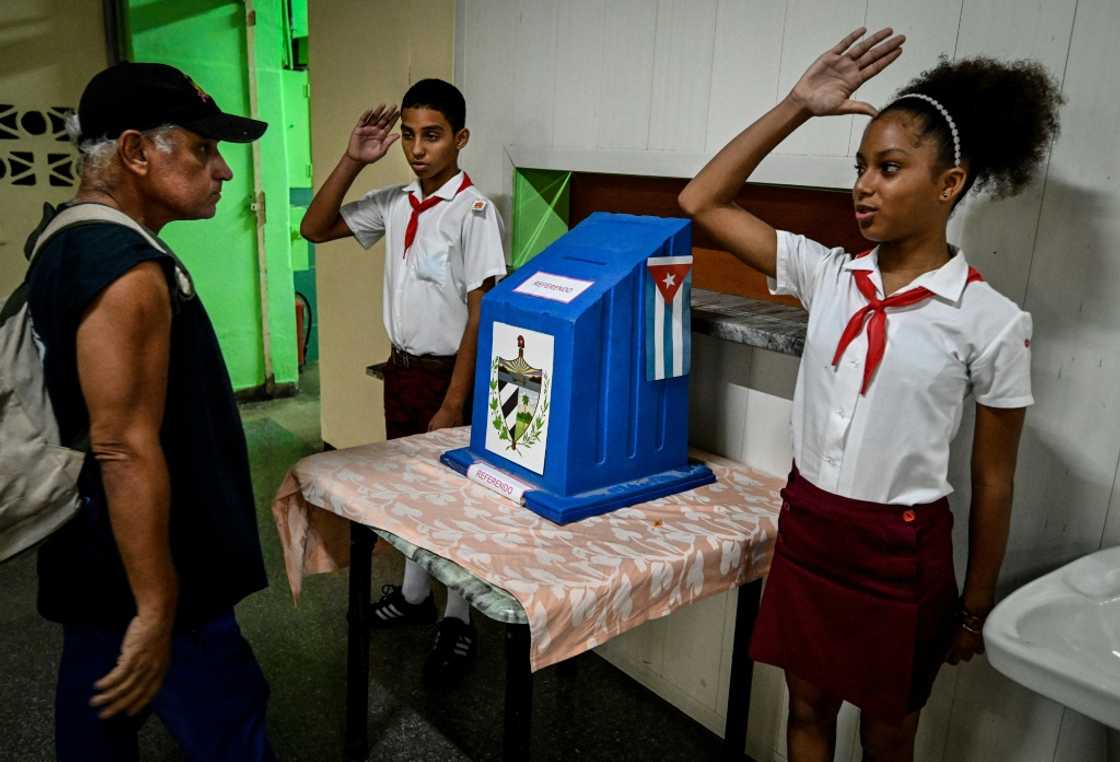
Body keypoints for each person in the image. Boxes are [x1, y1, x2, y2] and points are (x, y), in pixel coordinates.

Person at [679, 27, 1061, 762]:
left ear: (950, 184)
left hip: (901, 553)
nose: (862, 186)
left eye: (889, 169)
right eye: (859, 168)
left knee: (890, 732)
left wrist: (974, 608)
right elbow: (703, 198)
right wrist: (797, 104)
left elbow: (993, 480)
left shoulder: (992, 320)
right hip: (812, 528)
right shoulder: (826, 275)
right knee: (807, 709)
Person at [26, 62, 275, 761]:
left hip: (95, 555)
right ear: (136, 152)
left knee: (97, 726)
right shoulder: (124, 266)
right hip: (156, 566)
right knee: (232, 729)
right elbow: (122, 447)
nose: (223, 170)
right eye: (201, 148)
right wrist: (159, 606)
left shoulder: (68, 238)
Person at [301, 78, 507, 681]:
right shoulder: (396, 202)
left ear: (461, 139)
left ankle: (458, 617)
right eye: (410, 136)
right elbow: (315, 228)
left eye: (433, 136)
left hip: (450, 378)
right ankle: (416, 595)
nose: (418, 149)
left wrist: (454, 402)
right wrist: (352, 159)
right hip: (403, 372)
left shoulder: (474, 213)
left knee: (453, 500)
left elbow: (482, 313)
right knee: (412, 492)